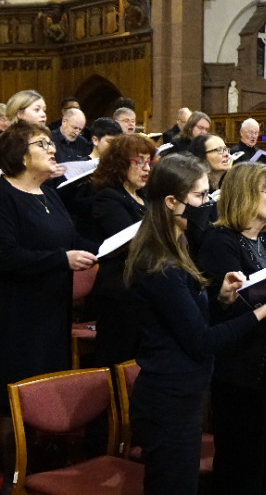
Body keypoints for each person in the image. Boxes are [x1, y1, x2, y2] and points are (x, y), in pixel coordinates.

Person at [124, 154, 266, 495]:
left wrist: (222, 298)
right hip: (169, 393)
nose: (208, 205)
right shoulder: (160, 263)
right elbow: (201, 340)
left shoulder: (180, 250)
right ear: (171, 202)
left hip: (186, 389)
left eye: (209, 195)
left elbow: (193, 319)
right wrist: (262, 312)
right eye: (200, 196)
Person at [0, 121, 98, 492]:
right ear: (19, 154)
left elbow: (72, 238)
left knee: (48, 379)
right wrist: (61, 261)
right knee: (18, 386)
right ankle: (15, 474)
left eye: (50, 142)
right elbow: (5, 255)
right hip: (14, 311)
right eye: (42, 143)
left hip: (49, 306)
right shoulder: (0, 197)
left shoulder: (50, 194)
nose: (52, 148)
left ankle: (46, 465)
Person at [196, 162, 266, 495]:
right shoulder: (220, 242)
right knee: (241, 453)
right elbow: (228, 304)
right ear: (247, 195)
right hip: (239, 361)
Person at [85, 134, 157, 366]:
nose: (147, 168)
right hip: (120, 291)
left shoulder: (144, 198)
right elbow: (128, 242)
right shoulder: (108, 198)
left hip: (143, 288)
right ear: (119, 164)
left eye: (149, 162)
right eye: (140, 162)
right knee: (118, 359)